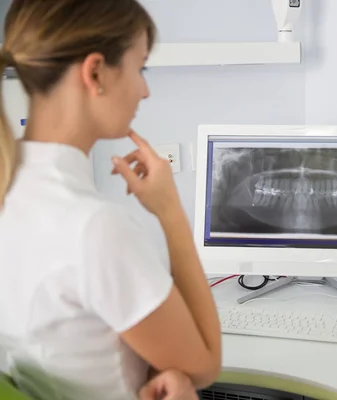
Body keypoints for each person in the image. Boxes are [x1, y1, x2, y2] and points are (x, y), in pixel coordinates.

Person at [0, 1, 222, 399]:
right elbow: (203, 365)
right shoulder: (93, 228)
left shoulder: (10, 194)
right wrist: (169, 210)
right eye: (141, 68)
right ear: (96, 72)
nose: (145, 90)